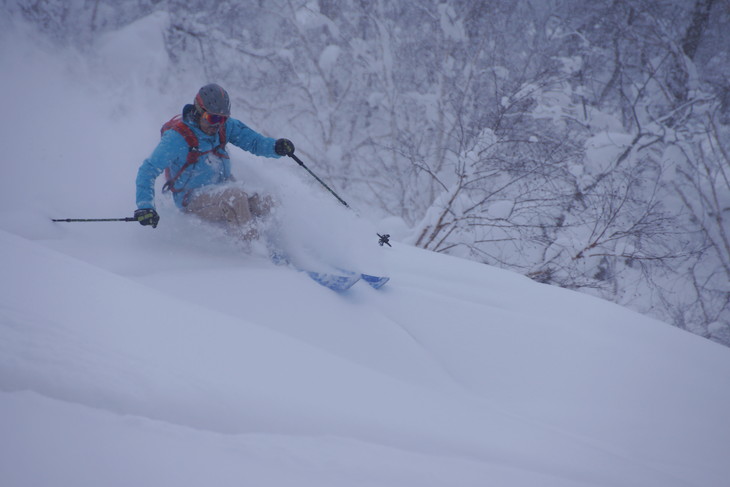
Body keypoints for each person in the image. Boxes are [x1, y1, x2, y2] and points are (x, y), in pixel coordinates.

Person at [134, 83, 295, 240]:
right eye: (212, 118)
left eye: (223, 118)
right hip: (192, 199)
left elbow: (254, 142)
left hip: (222, 188)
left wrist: (275, 147)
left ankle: (273, 247)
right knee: (235, 199)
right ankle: (251, 254)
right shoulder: (178, 138)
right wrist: (145, 207)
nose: (217, 124)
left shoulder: (224, 127)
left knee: (267, 201)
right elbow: (148, 169)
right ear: (198, 112)